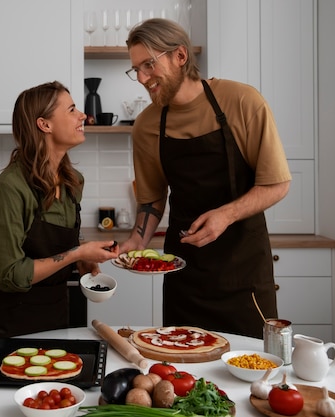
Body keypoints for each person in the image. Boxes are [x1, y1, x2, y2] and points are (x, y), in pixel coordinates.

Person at [119, 19, 292, 338]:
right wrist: (137, 242)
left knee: (251, 372)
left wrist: (226, 214)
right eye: (136, 70)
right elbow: (152, 198)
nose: (142, 78)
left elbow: (277, 183)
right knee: (182, 372)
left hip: (244, 273)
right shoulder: (146, 126)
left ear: (180, 56)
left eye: (149, 65)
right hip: (185, 275)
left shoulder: (242, 101)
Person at [0, 81, 119, 338]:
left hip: (55, 317)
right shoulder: (10, 188)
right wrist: (75, 254)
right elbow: (10, 275)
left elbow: (59, 248)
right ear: (45, 124)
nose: (83, 115)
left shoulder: (73, 181)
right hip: (6, 324)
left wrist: (81, 259)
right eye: (72, 109)